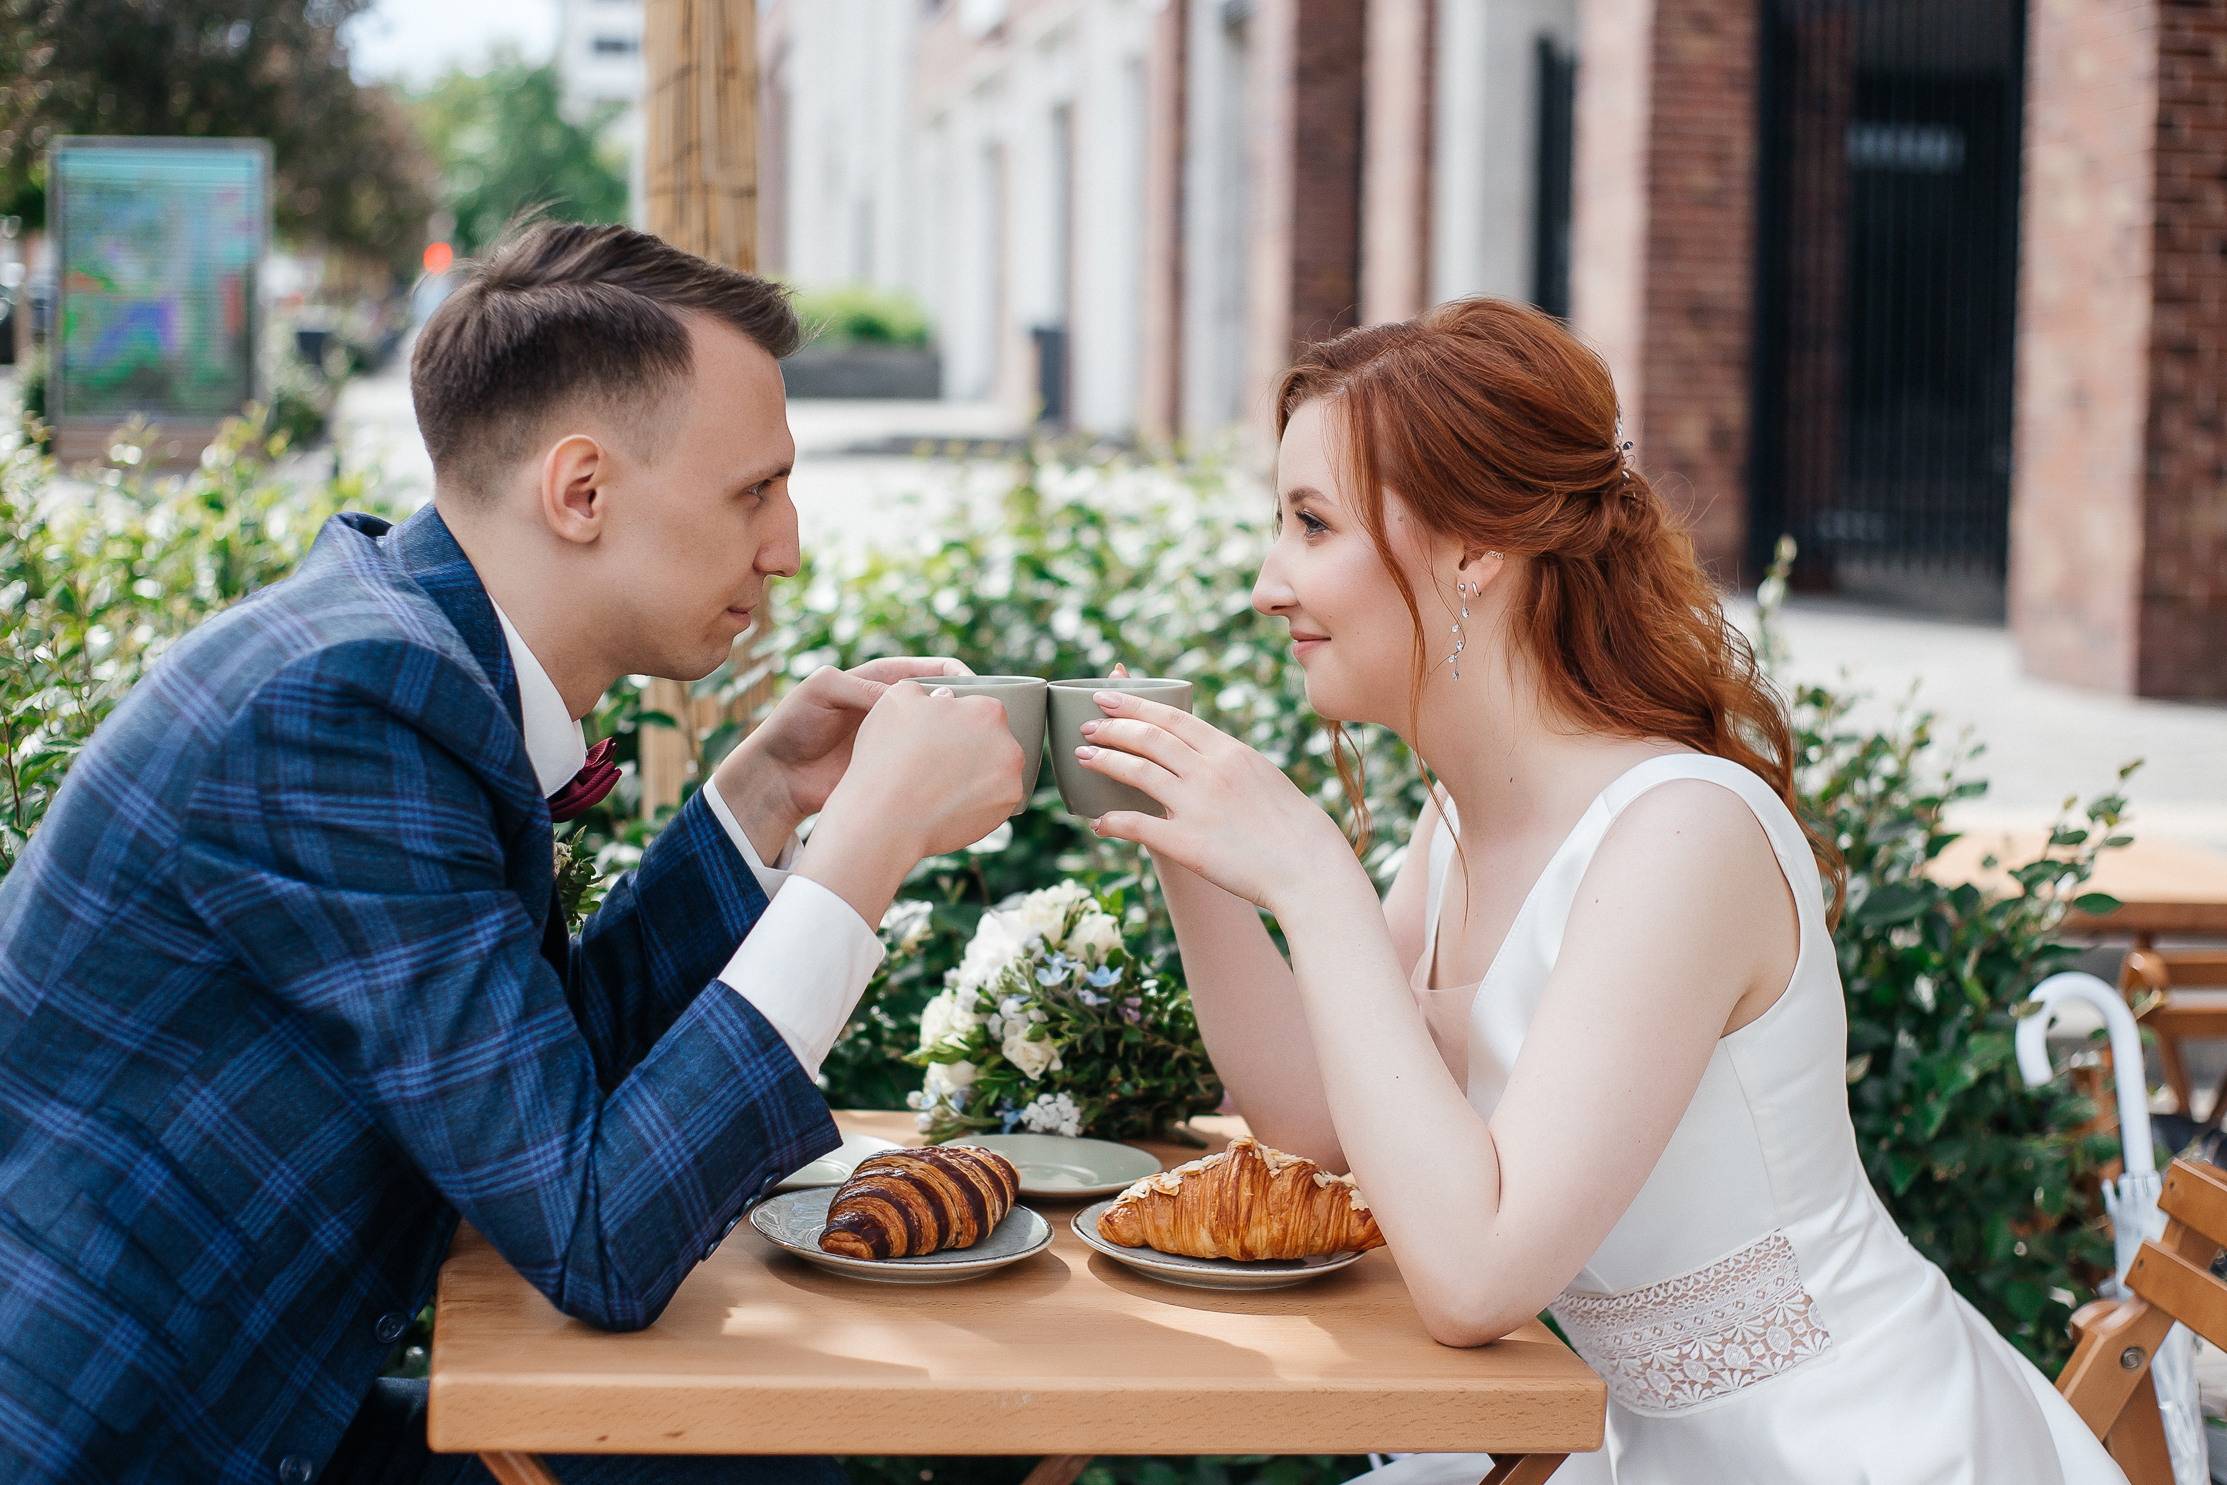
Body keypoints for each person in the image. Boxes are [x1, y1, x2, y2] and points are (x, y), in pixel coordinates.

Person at [0, 222, 1025, 1484]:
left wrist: (762, 801)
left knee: (752, 1462)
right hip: (122, 1446)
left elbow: (542, 1102)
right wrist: (864, 850)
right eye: (753, 489)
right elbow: (598, 1232)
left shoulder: (406, 651)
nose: (787, 546)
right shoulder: (348, 703)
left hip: (249, 1413)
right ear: (581, 491)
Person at [1070, 300, 2123, 1483]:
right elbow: (1317, 1124)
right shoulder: (1458, 815)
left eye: (1311, 524)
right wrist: (1184, 844)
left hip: (1849, 1449)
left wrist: (1316, 882)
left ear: (1475, 550)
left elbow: (1475, 1279)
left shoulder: (1681, 835)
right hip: (1626, 1442)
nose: (1270, 583)